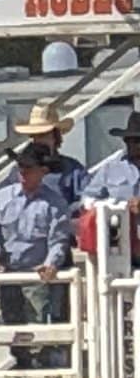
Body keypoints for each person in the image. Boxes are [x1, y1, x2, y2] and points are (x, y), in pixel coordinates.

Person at [0, 144, 72, 372]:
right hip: (8, 273)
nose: (22, 173)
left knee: (35, 329)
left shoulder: (55, 204)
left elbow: (58, 240)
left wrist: (50, 264)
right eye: (20, 168)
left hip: (35, 276)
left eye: (28, 169)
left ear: (42, 171)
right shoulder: (0, 198)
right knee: (13, 329)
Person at [84, 111, 140, 266]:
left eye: (138, 140)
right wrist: (114, 205)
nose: (134, 145)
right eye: (131, 140)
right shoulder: (110, 169)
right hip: (117, 242)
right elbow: (88, 199)